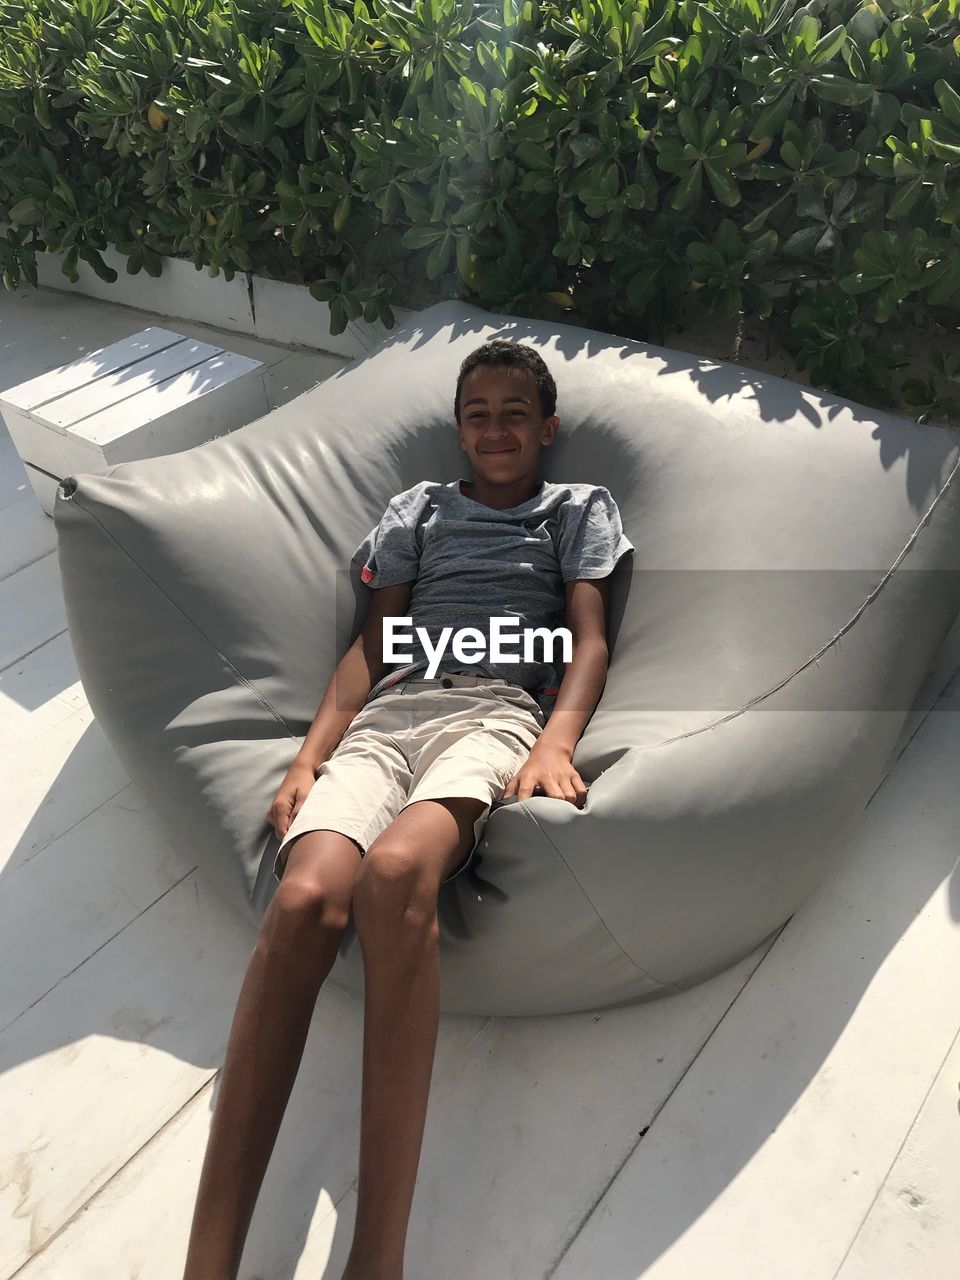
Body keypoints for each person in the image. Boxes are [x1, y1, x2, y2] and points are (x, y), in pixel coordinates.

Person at [181, 339, 634, 1280]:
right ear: (458, 428)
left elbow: (589, 642)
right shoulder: (416, 512)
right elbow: (371, 645)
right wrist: (311, 756)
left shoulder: (574, 510)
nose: (496, 428)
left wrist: (556, 740)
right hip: (389, 719)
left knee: (394, 873)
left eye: (515, 412)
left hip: (497, 714)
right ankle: (207, 1261)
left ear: (547, 429)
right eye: (478, 412)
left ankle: (376, 1257)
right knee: (303, 899)